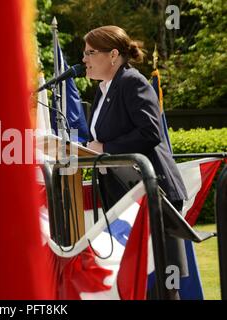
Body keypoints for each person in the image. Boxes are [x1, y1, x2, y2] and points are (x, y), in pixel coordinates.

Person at [82, 25, 188, 299]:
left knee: (160, 284)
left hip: (154, 192)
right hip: (125, 196)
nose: (84, 59)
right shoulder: (104, 89)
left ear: (113, 55)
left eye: (90, 52)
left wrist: (104, 148)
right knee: (137, 282)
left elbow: (150, 132)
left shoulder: (132, 82)